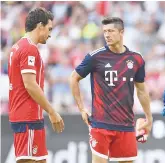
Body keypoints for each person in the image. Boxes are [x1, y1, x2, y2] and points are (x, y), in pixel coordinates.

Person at [69, 17, 153, 163]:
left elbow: (141, 91)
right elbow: (73, 78)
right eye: (105, 31)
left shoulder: (136, 59)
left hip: (126, 125)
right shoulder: (95, 57)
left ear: (122, 32)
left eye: (111, 31)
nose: (107, 35)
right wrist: (82, 109)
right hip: (101, 124)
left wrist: (148, 116)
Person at [8, 7, 64, 163]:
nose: (50, 33)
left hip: (29, 116)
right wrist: (52, 111)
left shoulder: (19, 46)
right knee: (28, 160)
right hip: (27, 116)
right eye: (49, 28)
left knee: (40, 160)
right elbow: (30, 85)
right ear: (40, 26)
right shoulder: (28, 49)